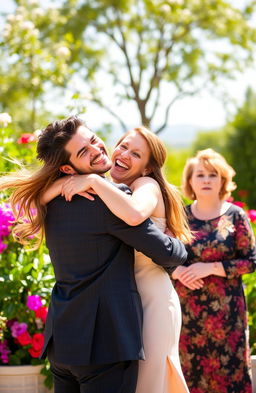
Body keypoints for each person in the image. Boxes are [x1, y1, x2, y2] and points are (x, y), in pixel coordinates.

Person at [0, 116, 188, 393]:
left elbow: (133, 214)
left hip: (70, 339)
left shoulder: (53, 202)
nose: (98, 150)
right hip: (110, 336)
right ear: (67, 167)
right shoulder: (104, 201)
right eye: (83, 151)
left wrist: (88, 180)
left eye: (93, 141)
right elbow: (171, 254)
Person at [172, 148, 256, 393]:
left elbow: (251, 261)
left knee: (230, 373)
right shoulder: (180, 217)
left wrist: (209, 268)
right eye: (200, 175)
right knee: (191, 375)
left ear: (222, 181)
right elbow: (163, 258)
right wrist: (178, 271)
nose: (206, 180)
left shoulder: (236, 216)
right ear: (190, 181)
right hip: (188, 314)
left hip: (228, 315)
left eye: (212, 175)